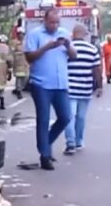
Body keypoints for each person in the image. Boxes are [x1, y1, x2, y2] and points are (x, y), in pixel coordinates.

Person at [24, 9, 77, 170]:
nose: (54, 26)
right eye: (51, 22)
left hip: (61, 85)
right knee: (44, 119)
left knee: (65, 117)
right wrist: (47, 47)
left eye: (57, 22)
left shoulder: (64, 33)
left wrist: (67, 46)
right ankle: (45, 156)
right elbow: (29, 57)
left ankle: (45, 143)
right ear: (45, 21)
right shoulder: (35, 34)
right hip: (41, 84)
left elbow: (74, 56)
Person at [63, 23, 102, 155]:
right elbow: (97, 69)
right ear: (85, 35)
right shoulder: (92, 49)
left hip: (69, 88)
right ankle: (79, 141)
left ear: (73, 34)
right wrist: (100, 86)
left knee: (69, 117)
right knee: (81, 117)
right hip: (85, 88)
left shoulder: (68, 48)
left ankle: (70, 143)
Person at [9, 29, 30, 99]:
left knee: (26, 77)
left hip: (26, 63)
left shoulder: (27, 42)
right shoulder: (14, 42)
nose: (21, 35)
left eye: (22, 34)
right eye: (19, 34)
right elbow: (11, 52)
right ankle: (18, 91)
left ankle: (19, 88)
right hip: (18, 63)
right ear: (17, 35)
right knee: (19, 77)